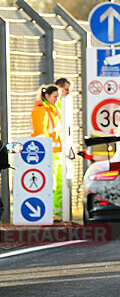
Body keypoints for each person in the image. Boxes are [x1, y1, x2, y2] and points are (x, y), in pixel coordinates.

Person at [31, 85, 63, 221]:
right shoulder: (41, 110)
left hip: (57, 153)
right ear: (47, 96)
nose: (57, 99)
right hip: (49, 154)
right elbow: (40, 134)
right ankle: (48, 214)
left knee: (59, 186)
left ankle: (58, 215)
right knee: (51, 185)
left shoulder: (53, 109)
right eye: (55, 97)